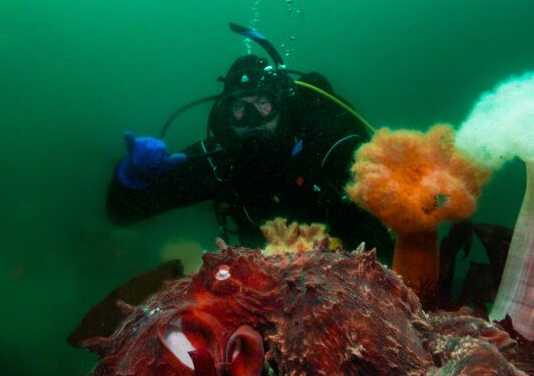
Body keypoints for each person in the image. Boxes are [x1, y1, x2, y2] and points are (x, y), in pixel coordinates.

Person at [106, 24, 393, 260]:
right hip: (263, 297)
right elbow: (122, 212)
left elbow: (404, 202)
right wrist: (131, 176)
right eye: (240, 107)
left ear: (280, 103)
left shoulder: (324, 141)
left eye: (262, 103)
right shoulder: (220, 162)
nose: (253, 117)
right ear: (225, 113)